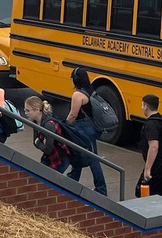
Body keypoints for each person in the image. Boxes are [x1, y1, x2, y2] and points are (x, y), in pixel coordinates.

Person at [65, 67, 108, 196]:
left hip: (82, 128)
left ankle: (101, 188)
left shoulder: (78, 95)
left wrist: (64, 125)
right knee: (80, 153)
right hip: (91, 128)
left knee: (92, 158)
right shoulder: (90, 91)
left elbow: (73, 115)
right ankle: (73, 179)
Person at [24, 96, 71, 173]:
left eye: (28, 110)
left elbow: (47, 149)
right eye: (25, 110)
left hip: (60, 159)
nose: (26, 113)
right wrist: (39, 143)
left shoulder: (48, 125)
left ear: (37, 110)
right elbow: (35, 143)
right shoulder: (35, 123)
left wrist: (38, 142)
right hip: (50, 157)